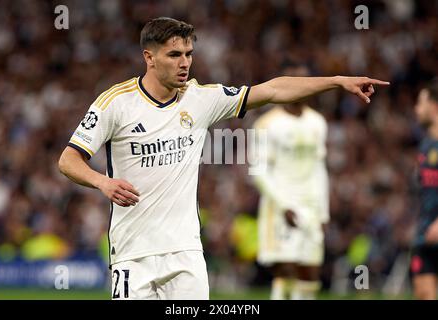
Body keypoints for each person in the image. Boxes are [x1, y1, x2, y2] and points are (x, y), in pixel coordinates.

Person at [58, 17, 389, 300]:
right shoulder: (116, 102)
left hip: (186, 253)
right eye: (174, 55)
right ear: (149, 57)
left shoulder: (201, 98)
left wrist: (335, 81)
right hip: (133, 252)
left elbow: (273, 89)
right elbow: (68, 159)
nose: (184, 62)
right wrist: (103, 181)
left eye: (188, 54)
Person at [251, 64, 329, 300]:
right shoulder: (267, 123)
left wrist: (324, 212)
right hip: (281, 206)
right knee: (285, 270)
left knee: (310, 272)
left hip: (311, 204)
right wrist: (284, 205)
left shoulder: (317, 122)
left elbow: (319, 167)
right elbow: (258, 171)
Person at [411, 79, 438, 300]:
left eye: (420, 102)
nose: (416, 109)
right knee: (423, 294)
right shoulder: (425, 144)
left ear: (434, 105)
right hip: (425, 233)